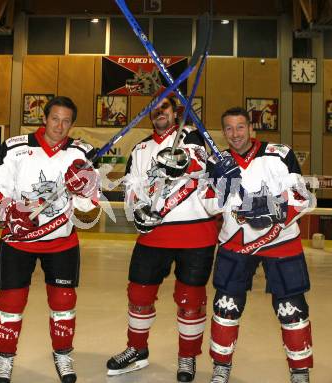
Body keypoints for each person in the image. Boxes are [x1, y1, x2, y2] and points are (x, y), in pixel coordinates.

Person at [0, 96, 99, 383]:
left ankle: (63, 355)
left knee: (64, 301)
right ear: (44, 118)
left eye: (66, 121)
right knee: (11, 302)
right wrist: (10, 210)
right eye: (54, 119)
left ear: (72, 124)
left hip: (61, 243)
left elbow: (89, 214)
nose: (59, 126)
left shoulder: (82, 154)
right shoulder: (15, 148)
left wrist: (83, 190)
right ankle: (5, 359)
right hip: (18, 241)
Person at [106, 96, 219, 382]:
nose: (160, 113)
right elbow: (130, 185)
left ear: (174, 111)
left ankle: (187, 356)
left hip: (195, 233)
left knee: (190, 299)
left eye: (165, 108)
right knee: (139, 294)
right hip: (154, 233)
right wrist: (136, 209)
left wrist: (182, 161)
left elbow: (201, 164)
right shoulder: (141, 148)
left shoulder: (191, 136)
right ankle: (137, 349)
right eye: (155, 109)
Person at [205, 107, 315, 383]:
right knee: (226, 305)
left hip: (280, 240)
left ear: (251, 129)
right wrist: (223, 183)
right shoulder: (218, 161)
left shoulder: (279, 153)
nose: (235, 134)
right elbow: (208, 206)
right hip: (235, 242)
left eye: (240, 127)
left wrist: (275, 210)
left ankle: (299, 370)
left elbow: (302, 197)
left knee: (292, 308)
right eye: (228, 129)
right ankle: (221, 366)